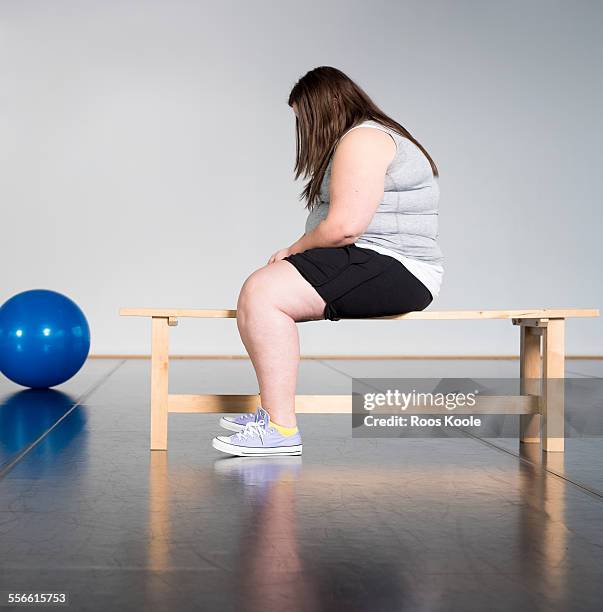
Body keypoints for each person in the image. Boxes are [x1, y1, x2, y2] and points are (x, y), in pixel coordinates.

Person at [212, 66, 443, 457]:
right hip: (379, 262)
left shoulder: (365, 138)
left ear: (332, 103)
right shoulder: (362, 138)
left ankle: (281, 427)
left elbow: (344, 227)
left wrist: (295, 248)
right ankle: (273, 414)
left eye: (307, 118)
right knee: (260, 291)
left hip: (396, 266)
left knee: (265, 293)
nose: (305, 128)